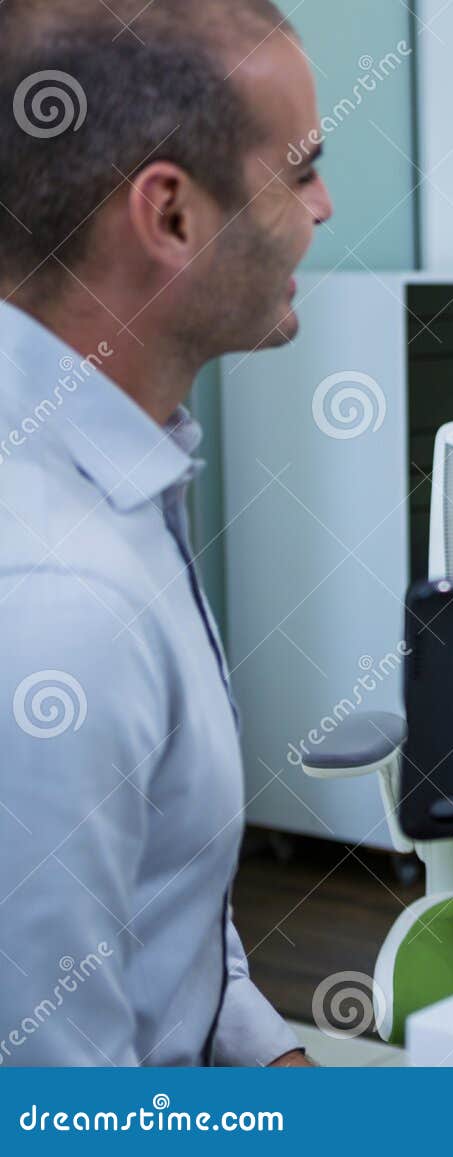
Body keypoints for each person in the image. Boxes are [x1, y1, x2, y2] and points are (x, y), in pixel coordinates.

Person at [0, 0, 333, 1065]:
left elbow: (162, 888)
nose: (323, 207)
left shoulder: (110, 461)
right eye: (300, 170)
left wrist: (273, 1055)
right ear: (172, 215)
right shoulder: (57, 599)